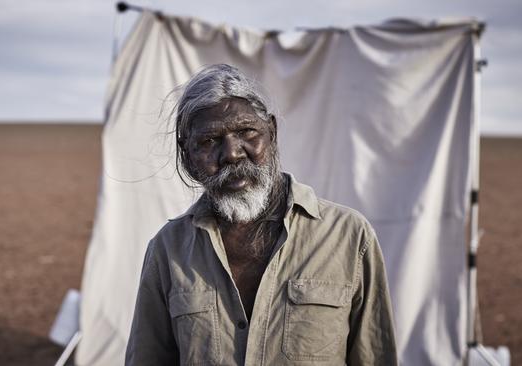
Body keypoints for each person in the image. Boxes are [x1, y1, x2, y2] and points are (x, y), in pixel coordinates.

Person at [125, 64, 397, 365]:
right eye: (209, 141)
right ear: (187, 154)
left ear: (272, 131)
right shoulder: (168, 250)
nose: (232, 153)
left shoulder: (348, 237)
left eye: (246, 132)